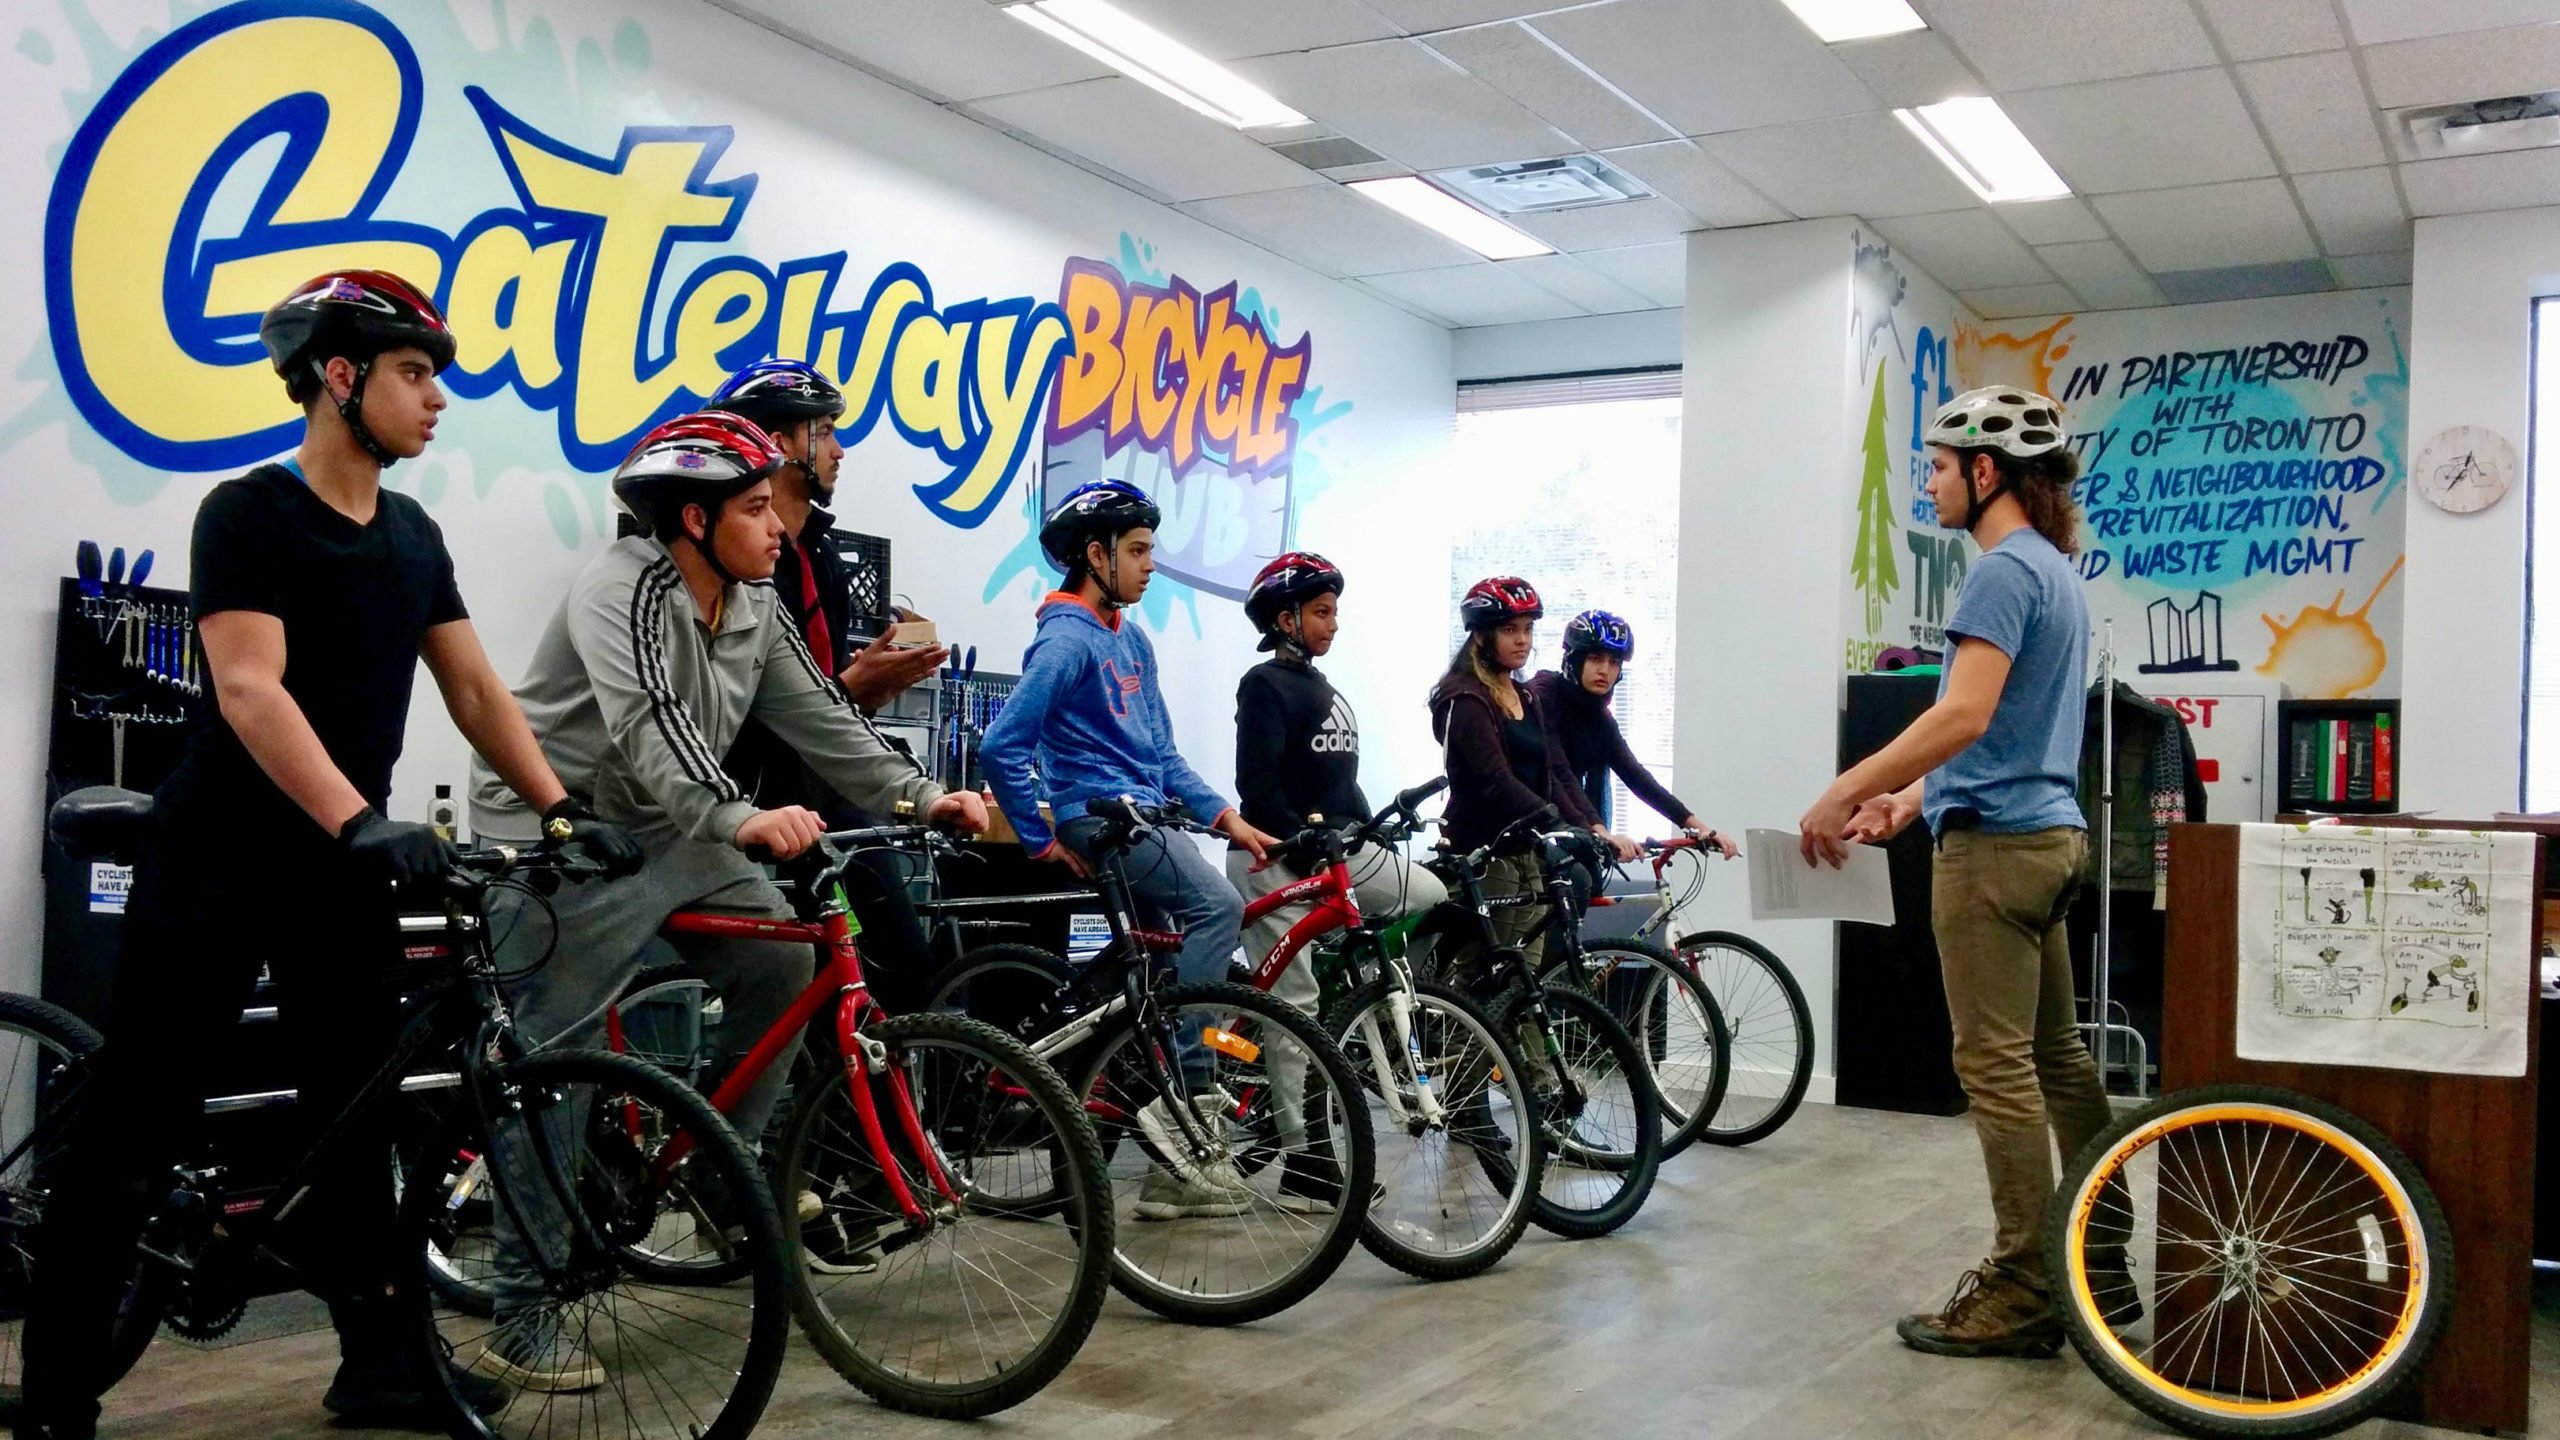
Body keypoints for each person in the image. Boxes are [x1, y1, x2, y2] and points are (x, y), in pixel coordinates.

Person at [19, 271, 641, 1440]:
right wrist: (359, 815)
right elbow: (249, 688)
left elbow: (471, 685)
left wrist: (558, 809)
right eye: (415, 374)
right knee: (136, 1125)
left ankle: (379, 1364)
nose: (437, 398)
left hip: (337, 871)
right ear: (340, 379)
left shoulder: (413, 535)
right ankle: (55, 1389)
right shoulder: (249, 514)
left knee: (358, 1128)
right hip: (216, 855)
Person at [465, 411, 985, 1386]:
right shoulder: (619, 588)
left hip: (671, 832)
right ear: (693, 521)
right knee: (557, 1068)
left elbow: (822, 717)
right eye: (753, 508)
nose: (776, 526)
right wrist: (737, 817)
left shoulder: (753, 600)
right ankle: (520, 1325)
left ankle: (714, 1165)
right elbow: (649, 723)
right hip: (562, 832)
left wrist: (920, 795)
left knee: (785, 959)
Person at [1795, 386, 2113, 1360]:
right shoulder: (2054, 573)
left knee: (1994, 1069)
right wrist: (1912, 799)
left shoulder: (1995, 575)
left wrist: (1842, 785)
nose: (1927, 483)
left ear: (1986, 473)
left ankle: (2024, 1285)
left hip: (1994, 856)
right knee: (2057, 1063)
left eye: (1938, 466)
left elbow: (1965, 715)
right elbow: (2006, 732)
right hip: (2050, 841)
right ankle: (2102, 1262)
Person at [976, 480, 1281, 1219]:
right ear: (1094, 555)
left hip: (1146, 818)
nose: (1151, 564)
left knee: (1165, 972)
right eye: (1138, 551)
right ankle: (1196, 1099)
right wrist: (1042, 836)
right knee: (1219, 908)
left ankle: (1165, 1164)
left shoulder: (1130, 637)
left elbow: (1164, 757)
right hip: (1103, 820)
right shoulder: (1066, 638)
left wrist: (1227, 819)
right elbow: (1000, 744)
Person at [705, 357, 947, 1011]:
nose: (840, 451)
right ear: (780, 443)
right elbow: (734, 714)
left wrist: (866, 685)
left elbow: (821, 697)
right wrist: (852, 685)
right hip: (754, 806)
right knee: (860, 971)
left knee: (898, 969)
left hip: (820, 798)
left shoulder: (821, 558)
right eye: (826, 431)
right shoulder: (730, 570)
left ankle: (845, 1108)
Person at [1228, 551, 1449, 1009]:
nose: (1333, 625)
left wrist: (1369, 828)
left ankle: (1361, 1007)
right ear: (1287, 621)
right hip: (1272, 858)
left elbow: (1340, 780)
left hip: (1335, 850)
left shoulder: (1321, 684)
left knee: (1432, 897)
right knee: (1295, 1006)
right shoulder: (1263, 684)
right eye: (1321, 613)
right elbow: (1257, 787)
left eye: (1334, 613)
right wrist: (1300, 846)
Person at [1429, 577, 1632, 964]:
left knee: (1527, 973)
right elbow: (1495, 780)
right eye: (1509, 630)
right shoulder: (1466, 697)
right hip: (1485, 850)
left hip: (1526, 847)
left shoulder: (1524, 696)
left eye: (1527, 629)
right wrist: (1558, 822)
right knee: (1492, 971)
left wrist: (1587, 827)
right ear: (1481, 636)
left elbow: (1553, 774)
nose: (1523, 640)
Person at [1527, 609, 1738, 858]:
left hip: (1573, 828)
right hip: (1529, 830)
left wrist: (1700, 828)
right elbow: (1559, 773)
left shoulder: (1598, 716)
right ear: (1574, 659)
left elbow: (1636, 776)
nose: (1605, 670)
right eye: (1596, 658)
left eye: (1614, 662)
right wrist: (1599, 831)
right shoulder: (1541, 698)